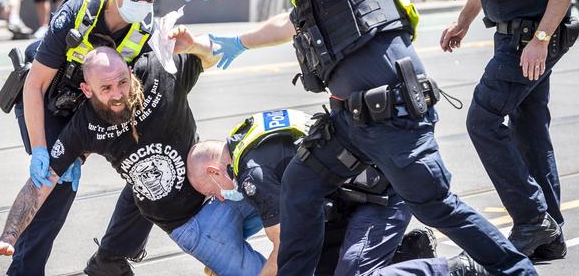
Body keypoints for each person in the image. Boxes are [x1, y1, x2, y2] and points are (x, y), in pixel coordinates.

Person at [184, 0, 536, 275]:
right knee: (300, 185)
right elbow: (289, 23)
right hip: (349, 123)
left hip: (393, 115)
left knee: (435, 205)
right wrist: (238, 42)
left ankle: (515, 271)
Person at [0, 45, 268, 276]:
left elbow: (208, 57)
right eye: (106, 89)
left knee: (301, 211)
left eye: (122, 82)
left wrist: (194, 43)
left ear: (130, 71)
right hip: (193, 224)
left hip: (224, 189)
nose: (118, 94)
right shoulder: (84, 127)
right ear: (87, 90)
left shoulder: (159, 71)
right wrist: (9, 236)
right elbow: (39, 185)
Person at [3, 0, 167, 276]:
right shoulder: (78, 14)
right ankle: (23, 271)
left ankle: (113, 258)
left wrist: (87, 146)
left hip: (90, 104)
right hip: (44, 99)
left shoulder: (144, 30)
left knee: (150, 163)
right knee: (56, 185)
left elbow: (133, 91)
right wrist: (42, 150)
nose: (145, 1)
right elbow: (34, 86)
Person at [187, 109, 487, 276]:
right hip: (352, 196)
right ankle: (405, 254)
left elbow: (285, 250)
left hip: (380, 197)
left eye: (214, 193)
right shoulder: (248, 132)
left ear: (214, 171)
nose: (222, 198)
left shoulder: (252, 175)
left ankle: (457, 269)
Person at [440, 0, 578, 260]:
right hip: (512, 37)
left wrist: (542, 40)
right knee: (528, 126)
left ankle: (532, 218)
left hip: (531, 39)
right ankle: (549, 235)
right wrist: (463, 22)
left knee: (482, 120)